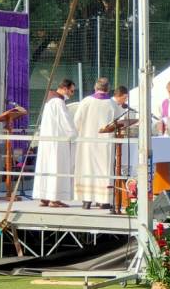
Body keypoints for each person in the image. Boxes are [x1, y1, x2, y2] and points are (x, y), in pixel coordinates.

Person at [72, 77, 117, 210]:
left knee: (87, 168)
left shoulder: (86, 101)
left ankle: (87, 200)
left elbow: (76, 121)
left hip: (87, 142)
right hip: (105, 144)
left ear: (95, 87)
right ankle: (104, 200)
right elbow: (118, 123)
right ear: (108, 88)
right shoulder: (112, 104)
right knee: (104, 170)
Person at [33, 79, 77, 208]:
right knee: (57, 167)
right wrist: (74, 135)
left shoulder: (50, 101)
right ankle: (55, 198)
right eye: (71, 90)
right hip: (57, 142)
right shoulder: (58, 102)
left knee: (47, 166)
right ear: (64, 88)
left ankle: (44, 196)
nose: (72, 93)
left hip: (47, 141)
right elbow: (65, 121)